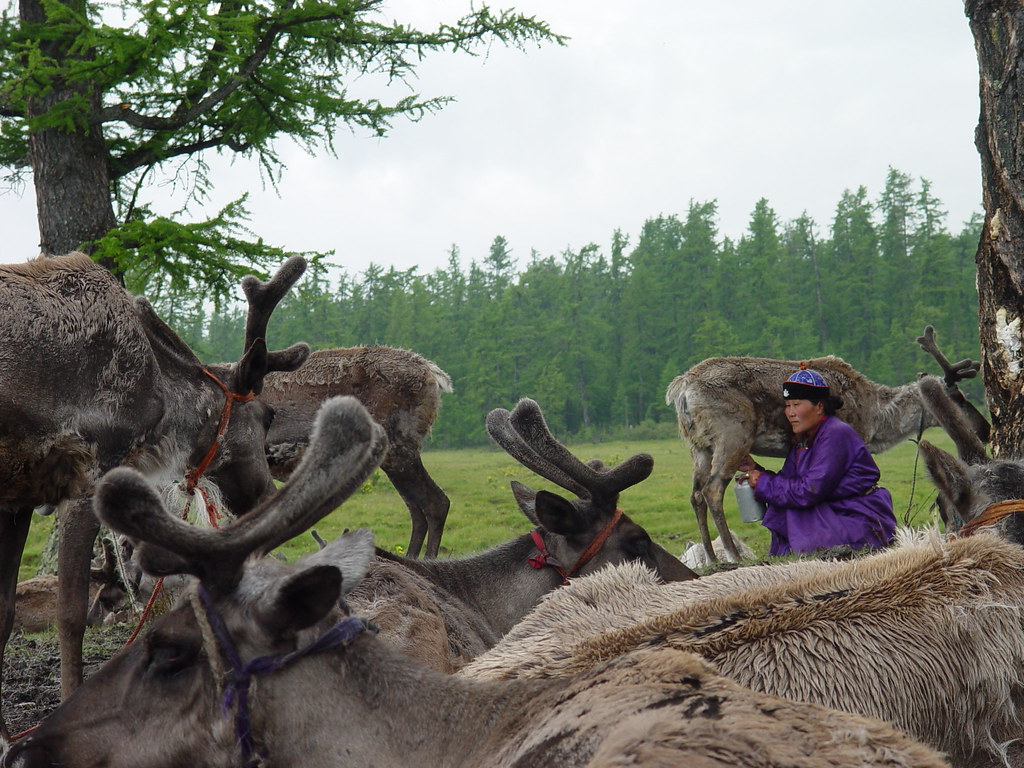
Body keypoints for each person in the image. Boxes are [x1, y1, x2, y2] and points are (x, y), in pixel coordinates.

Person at [737, 364, 896, 556]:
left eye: (797, 405)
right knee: (785, 502)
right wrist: (756, 470)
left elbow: (808, 491)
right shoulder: (804, 438)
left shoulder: (836, 434)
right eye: (788, 405)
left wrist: (762, 482)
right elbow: (789, 481)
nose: (790, 413)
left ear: (819, 407)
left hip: (858, 515)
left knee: (796, 510)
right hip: (834, 508)